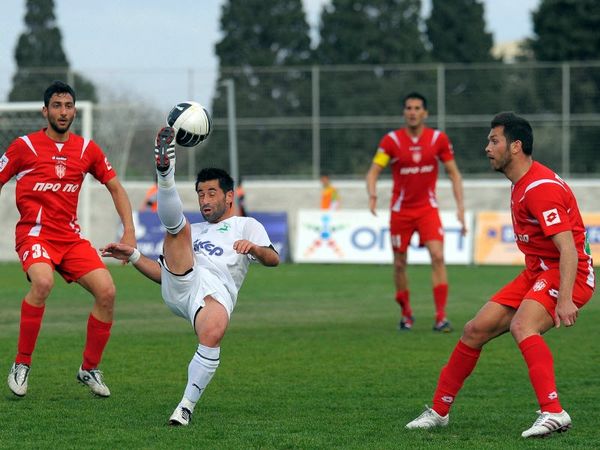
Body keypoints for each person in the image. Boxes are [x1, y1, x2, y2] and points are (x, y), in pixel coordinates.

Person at [405, 112, 594, 438]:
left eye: (494, 141)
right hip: (537, 271)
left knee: (523, 325)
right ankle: (439, 412)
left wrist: (564, 300)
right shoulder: (521, 182)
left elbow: (569, 250)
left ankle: (554, 412)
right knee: (474, 330)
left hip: (566, 274)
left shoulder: (538, 189)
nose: (487, 148)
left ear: (516, 146)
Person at [100, 127, 279, 426]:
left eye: (211, 193)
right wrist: (133, 255)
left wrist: (256, 249)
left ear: (229, 196)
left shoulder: (246, 225)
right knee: (178, 229)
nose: (205, 200)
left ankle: (184, 407)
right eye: (200, 194)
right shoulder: (192, 230)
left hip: (215, 293)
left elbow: (273, 259)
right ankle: (165, 173)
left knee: (214, 331)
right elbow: (164, 274)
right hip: (181, 283)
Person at [0, 80, 136, 398]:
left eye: (68, 106)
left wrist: (128, 230)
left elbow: (115, 187)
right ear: (45, 110)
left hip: (69, 239)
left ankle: (89, 368)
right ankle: (21, 364)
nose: (64, 112)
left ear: (74, 110)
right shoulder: (24, 147)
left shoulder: (87, 150)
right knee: (43, 283)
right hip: (35, 235)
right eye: (57, 106)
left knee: (107, 291)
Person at [365, 92, 466, 332]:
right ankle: (406, 314)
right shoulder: (391, 141)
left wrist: (461, 208)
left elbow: (454, 173)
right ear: (404, 112)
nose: (412, 112)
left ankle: (441, 317)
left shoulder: (438, 139)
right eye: (409, 108)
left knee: (438, 256)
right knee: (400, 263)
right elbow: (373, 172)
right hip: (401, 212)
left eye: (417, 108)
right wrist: (372, 194)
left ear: (425, 113)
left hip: (427, 209)